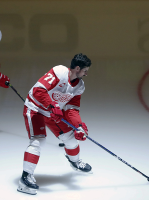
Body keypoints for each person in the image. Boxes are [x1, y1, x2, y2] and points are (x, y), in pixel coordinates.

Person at [17, 53, 92, 195]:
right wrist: (52, 106)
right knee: (38, 141)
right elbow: (38, 90)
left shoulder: (79, 86)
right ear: (77, 68)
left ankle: (75, 162)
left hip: (53, 113)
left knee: (70, 138)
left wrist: (79, 126)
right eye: (85, 70)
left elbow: (72, 109)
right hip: (36, 109)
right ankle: (25, 178)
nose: (86, 74)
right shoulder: (59, 72)